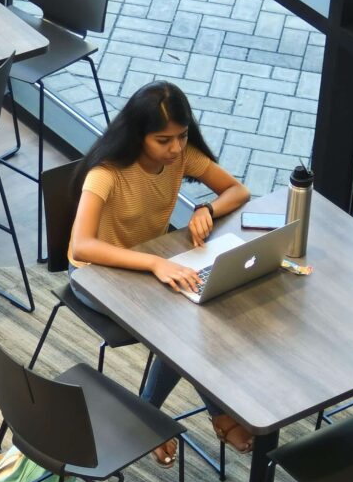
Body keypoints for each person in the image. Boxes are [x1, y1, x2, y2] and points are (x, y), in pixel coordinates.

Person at [68, 82, 260, 458]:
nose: (175, 149)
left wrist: (206, 209)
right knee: (184, 326)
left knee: (197, 312)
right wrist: (156, 262)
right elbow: (81, 246)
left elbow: (238, 192)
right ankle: (185, 416)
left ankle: (147, 417)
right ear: (138, 135)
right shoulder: (106, 173)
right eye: (163, 140)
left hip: (150, 265)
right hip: (95, 277)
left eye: (182, 136)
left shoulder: (181, 156)